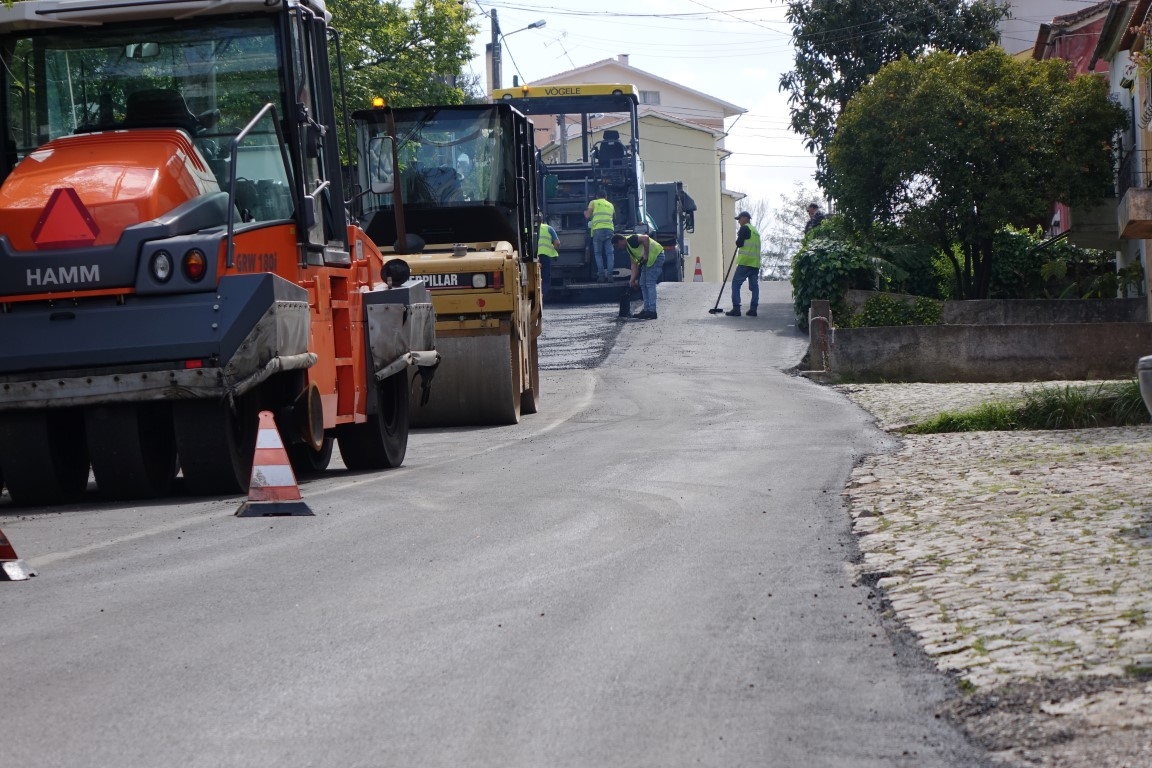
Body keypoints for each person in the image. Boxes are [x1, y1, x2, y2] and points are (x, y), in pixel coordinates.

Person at [613, 233, 665, 320]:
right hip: (649, 261)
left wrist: (646, 254)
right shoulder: (628, 248)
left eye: (617, 245)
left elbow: (645, 238)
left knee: (649, 283)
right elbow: (634, 265)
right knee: (642, 283)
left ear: (620, 241)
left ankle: (652, 311)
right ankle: (646, 309)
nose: (618, 248)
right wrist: (632, 280)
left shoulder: (631, 240)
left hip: (656, 256)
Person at [726, 210, 761, 317]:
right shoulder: (755, 231)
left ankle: (736, 309)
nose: (739, 222)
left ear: (745, 218)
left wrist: (738, 238)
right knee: (754, 287)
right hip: (755, 264)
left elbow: (739, 243)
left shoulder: (744, 228)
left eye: (739, 219)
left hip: (745, 262)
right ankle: (753, 309)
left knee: (736, 284)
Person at [585, 190, 616, 282]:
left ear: (596, 196)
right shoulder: (611, 205)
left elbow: (587, 216)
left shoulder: (593, 202)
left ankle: (601, 276)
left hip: (598, 229)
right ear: (606, 197)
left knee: (598, 254)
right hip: (609, 229)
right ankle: (610, 276)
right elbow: (614, 218)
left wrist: (585, 213)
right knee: (610, 253)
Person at [537, 215, 561, 302]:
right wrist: (555, 251)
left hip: (533, 258)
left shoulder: (528, 228)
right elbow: (557, 243)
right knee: (545, 279)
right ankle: (542, 297)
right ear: (542, 220)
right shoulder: (549, 228)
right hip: (545, 258)